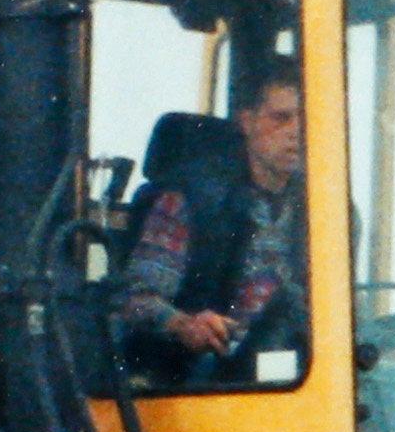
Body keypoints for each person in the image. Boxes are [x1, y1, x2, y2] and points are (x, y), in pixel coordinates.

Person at [113, 67, 308, 384]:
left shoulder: (327, 211)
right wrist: (185, 325)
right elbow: (135, 301)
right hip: (211, 377)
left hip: (302, 375)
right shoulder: (190, 201)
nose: (297, 131)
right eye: (281, 118)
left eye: (306, 119)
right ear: (247, 122)